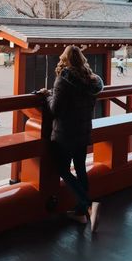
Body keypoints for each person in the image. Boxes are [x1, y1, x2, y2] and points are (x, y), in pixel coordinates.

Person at [39, 45, 103, 232]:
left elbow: (55, 109)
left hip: (65, 133)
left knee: (63, 170)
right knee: (81, 169)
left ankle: (89, 206)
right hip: (83, 131)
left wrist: (47, 96)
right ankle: (81, 213)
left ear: (65, 59)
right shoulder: (91, 81)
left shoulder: (63, 80)